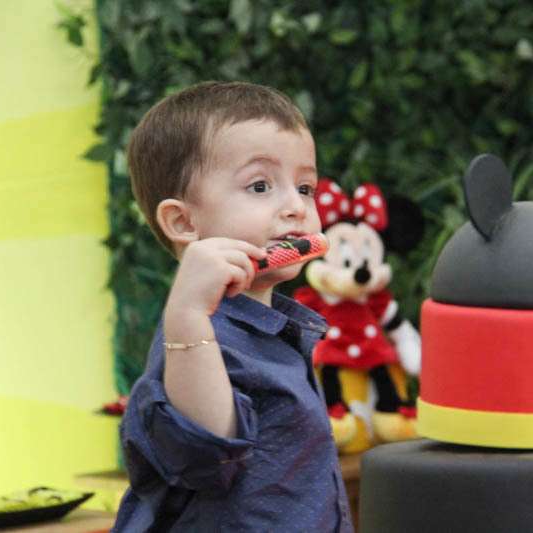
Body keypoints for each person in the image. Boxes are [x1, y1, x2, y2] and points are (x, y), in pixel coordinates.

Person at [111, 81, 354, 532]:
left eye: (305, 187)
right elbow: (206, 450)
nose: (296, 207)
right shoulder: (196, 334)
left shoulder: (274, 331)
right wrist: (187, 315)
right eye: (260, 186)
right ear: (183, 221)